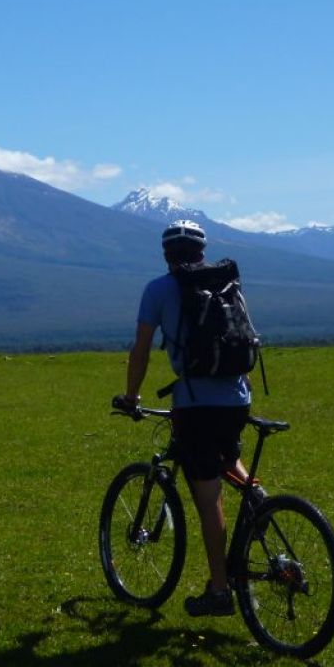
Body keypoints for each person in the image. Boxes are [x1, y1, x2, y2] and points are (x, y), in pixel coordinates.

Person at [116, 220, 254, 617]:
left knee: (207, 498)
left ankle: (219, 589)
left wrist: (132, 395)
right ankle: (258, 504)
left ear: (166, 255)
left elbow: (141, 349)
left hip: (195, 404)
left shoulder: (158, 290)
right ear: (202, 250)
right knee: (228, 458)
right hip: (237, 398)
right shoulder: (226, 284)